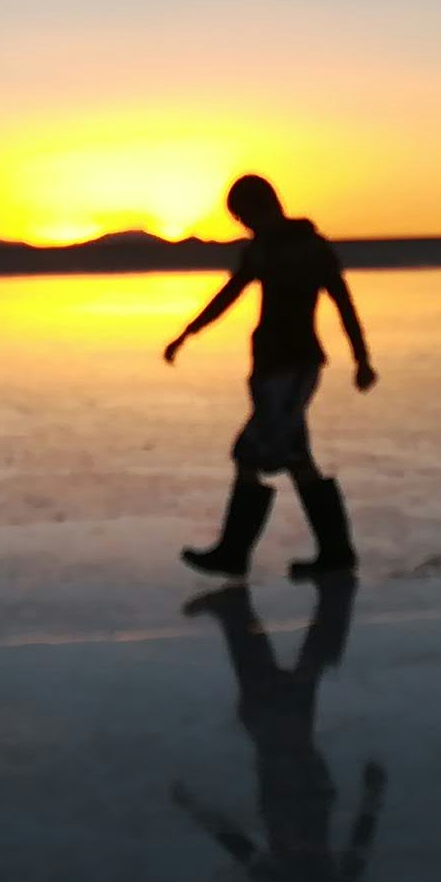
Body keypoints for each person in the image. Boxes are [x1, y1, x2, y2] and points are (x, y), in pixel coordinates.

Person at [169, 579, 385, 882]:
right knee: (276, 705)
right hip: (297, 793)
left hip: (294, 794)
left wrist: (196, 809)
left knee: (279, 702)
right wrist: (373, 798)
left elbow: (254, 855)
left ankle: (256, 612)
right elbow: (254, 853)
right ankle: (266, 611)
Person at [162, 173, 376, 580]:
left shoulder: (308, 248)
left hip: (292, 369)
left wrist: (362, 359)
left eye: (244, 216)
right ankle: (334, 554)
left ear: (263, 206)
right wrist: (188, 333)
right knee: (297, 460)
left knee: (249, 454)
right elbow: (229, 294)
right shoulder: (262, 250)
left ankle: (234, 553)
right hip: (271, 369)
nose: (243, 225)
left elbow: (343, 302)